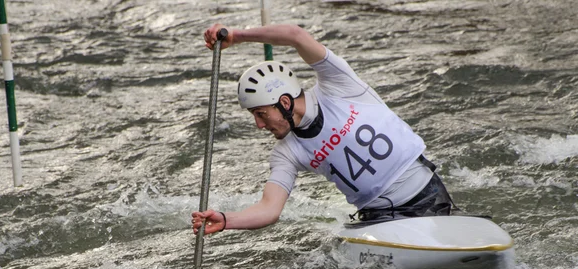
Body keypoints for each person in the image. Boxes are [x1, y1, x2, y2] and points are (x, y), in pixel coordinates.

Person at [192, 23, 457, 235]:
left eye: (261, 114)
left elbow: (296, 36)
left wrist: (237, 36)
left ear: (284, 102)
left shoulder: (339, 85)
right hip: (378, 220)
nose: (259, 125)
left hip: (430, 194)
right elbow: (269, 209)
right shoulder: (287, 153)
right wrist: (226, 219)